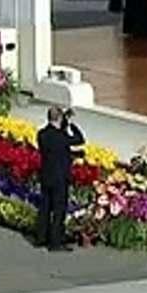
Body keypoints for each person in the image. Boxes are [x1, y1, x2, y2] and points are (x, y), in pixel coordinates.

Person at [36, 107, 84, 252]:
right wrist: (70, 124)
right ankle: (56, 242)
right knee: (59, 210)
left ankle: (41, 238)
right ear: (60, 119)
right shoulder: (62, 137)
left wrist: (63, 123)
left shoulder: (42, 134)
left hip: (46, 177)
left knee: (44, 208)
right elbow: (79, 139)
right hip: (60, 179)